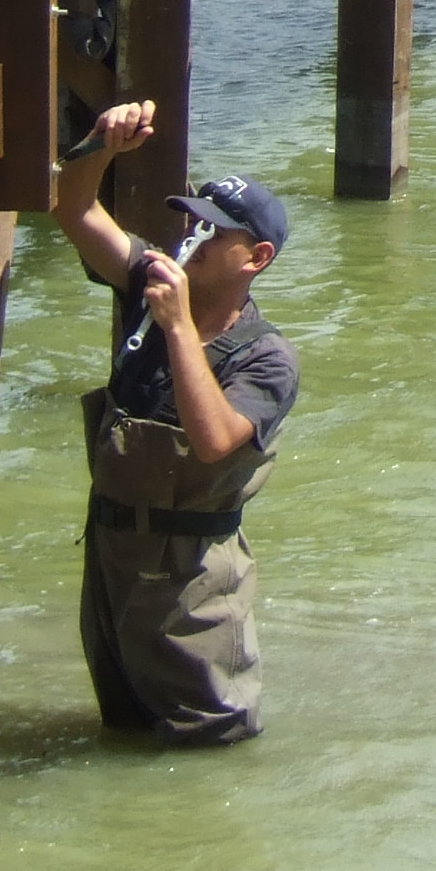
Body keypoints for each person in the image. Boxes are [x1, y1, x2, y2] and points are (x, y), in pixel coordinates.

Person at [48, 102, 301, 746]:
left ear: (257, 258)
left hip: (194, 583)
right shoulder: (152, 284)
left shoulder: (266, 358)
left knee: (211, 744)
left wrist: (179, 326)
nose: (191, 237)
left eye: (214, 233)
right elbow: (71, 209)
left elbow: (215, 442)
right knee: (121, 738)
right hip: (112, 564)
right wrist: (100, 147)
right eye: (190, 220)